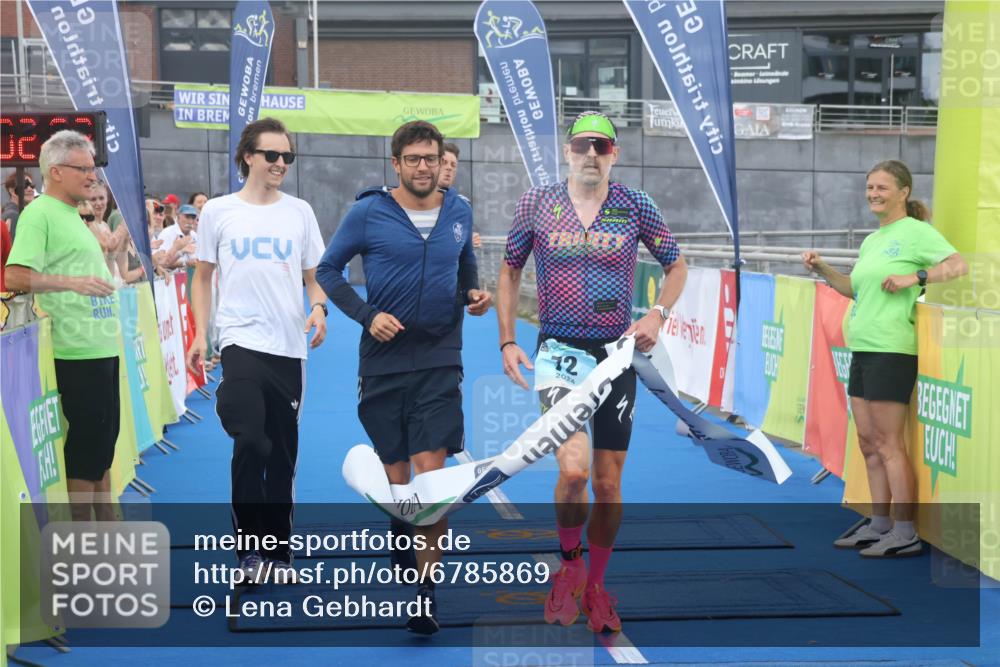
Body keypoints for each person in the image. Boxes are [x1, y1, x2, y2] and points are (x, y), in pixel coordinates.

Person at [497, 111, 687, 633]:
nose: (590, 155)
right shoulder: (536, 203)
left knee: (606, 483)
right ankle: (570, 565)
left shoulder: (633, 204)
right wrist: (508, 339)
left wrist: (656, 314)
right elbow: (510, 270)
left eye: (601, 147)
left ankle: (598, 584)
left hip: (616, 356)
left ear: (613, 155)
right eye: (582, 145)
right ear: (567, 151)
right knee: (573, 469)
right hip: (559, 350)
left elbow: (676, 264)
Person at [316, 120, 491, 635]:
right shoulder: (369, 211)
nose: (422, 167)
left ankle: (424, 594)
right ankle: (401, 520)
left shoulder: (458, 210)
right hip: (384, 358)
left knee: (430, 475)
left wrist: (473, 295)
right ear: (396, 164)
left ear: (442, 162)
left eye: (430, 159)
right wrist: (367, 315)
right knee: (397, 476)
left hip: (440, 355)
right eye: (412, 159)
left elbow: (465, 265)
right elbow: (328, 271)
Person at [803, 159, 967, 557]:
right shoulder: (874, 239)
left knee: (890, 444)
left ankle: (905, 530)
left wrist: (917, 278)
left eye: (882, 188)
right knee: (867, 442)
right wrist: (823, 267)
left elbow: (958, 265)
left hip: (891, 349)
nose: (873, 194)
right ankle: (879, 523)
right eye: (869, 188)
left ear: (903, 192)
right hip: (862, 347)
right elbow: (855, 289)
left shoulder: (915, 233)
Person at [186, 117, 327, 582]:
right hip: (239, 340)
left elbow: (314, 277)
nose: (280, 163)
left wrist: (320, 309)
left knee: (282, 454)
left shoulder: (300, 212)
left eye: (287, 156)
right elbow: (202, 277)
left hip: (289, 347)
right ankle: (250, 552)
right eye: (272, 155)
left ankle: (279, 553)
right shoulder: (219, 211)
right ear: (248, 155)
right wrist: (201, 333)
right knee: (251, 440)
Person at [4, 130, 120, 521]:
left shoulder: (75, 214)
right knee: (87, 449)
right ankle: (84, 547)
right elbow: (15, 277)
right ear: (55, 171)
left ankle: (106, 533)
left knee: (103, 447)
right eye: (83, 168)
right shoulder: (39, 214)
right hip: (74, 349)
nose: (92, 176)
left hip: (101, 345)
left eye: (94, 168)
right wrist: (72, 283)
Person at [438, 143, 481, 249]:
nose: (449, 168)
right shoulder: (416, 200)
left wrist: (469, 240)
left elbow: (462, 237)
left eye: (453, 165)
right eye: (444, 163)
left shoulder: (463, 204)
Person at [157, 204, 198, 268]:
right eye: (187, 217)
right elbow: (161, 262)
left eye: (193, 218)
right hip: (171, 275)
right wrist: (186, 263)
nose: (190, 221)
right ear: (178, 217)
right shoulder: (167, 233)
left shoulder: (195, 235)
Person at [3, 170, 37, 238]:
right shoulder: (13, 215)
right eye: (25, 185)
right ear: (12, 191)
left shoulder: (14, 213)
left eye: (32, 186)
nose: (30, 189)